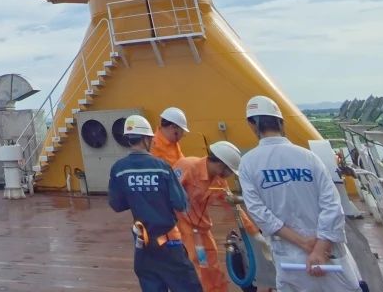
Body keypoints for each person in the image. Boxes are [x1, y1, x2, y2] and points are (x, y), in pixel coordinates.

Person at [237, 95, 362, 292]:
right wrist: (320, 248)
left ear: (252, 124)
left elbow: (259, 213)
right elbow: (332, 205)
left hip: (290, 258)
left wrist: (303, 243)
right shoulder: (309, 157)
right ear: (281, 122)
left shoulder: (248, 163)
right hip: (329, 254)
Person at [109, 114, 204, 292]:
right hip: (169, 245)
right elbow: (180, 203)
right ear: (146, 139)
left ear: (128, 139)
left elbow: (117, 205)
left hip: (142, 247)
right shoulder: (161, 167)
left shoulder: (119, 169)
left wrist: (138, 196)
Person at [174, 141, 244, 292]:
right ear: (221, 164)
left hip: (201, 228)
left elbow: (233, 206)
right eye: (230, 171)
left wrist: (253, 232)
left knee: (212, 265)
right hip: (181, 225)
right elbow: (167, 195)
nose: (230, 175)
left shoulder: (219, 181)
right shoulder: (187, 166)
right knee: (193, 263)